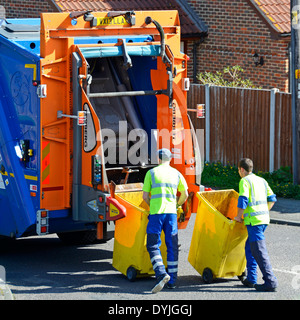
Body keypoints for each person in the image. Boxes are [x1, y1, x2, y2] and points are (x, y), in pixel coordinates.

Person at [142, 148, 188, 293]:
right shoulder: (177, 173)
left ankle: (161, 274)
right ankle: (172, 281)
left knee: (152, 244)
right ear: (170, 160)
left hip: (157, 214)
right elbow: (185, 194)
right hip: (171, 214)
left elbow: (144, 197)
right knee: (172, 246)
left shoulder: (151, 173)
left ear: (158, 159)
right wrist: (177, 205)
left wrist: (152, 205)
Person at [235, 158, 278, 292]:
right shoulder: (262, 180)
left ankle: (270, 281)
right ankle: (251, 279)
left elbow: (243, 199)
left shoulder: (245, 181)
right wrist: (264, 211)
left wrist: (238, 216)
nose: (239, 173)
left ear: (242, 169)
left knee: (259, 251)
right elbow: (272, 199)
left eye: (238, 170)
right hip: (263, 220)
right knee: (250, 248)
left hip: (254, 222)